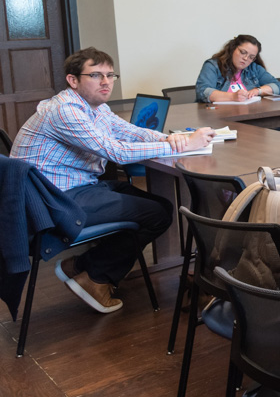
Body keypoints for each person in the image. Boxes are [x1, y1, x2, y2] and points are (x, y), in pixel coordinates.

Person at [11, 48, 215, 313]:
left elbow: (130, 132)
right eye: (96, 75)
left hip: (73, 188)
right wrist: (183, 146)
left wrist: (170, 140)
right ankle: (96, 277)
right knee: (157, 214)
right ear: (73, 80)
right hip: (52, 202)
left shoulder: (96, 107)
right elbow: (116, 151)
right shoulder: (65, 110)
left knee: (161, 206)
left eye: (110, 75)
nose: (106, 82)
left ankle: (84, 266)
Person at [195, 34, 280, 103]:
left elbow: (277, 86)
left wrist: (257, 91)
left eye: (251, 57)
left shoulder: (254, 68)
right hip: (218, 116)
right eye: (243, 52)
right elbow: (203, 92)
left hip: (249, 114)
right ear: (233, 48)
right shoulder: (213, 66)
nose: (246, 58)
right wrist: (232, 97)